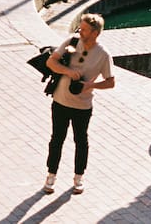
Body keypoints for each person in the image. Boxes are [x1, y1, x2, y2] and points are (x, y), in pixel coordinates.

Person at [42, 13, 115, 196]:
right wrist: (68, 71)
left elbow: (111, 82)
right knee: (56, 139)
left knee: (81, 141)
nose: (80, 32)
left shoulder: (103, 55)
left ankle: (78, 178)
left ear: (95, 33)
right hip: (60, 101)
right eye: (80, 28)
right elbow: (51, 62)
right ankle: (51, 175)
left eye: (84, 29)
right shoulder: (72, 42)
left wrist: (91, 85)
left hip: (82, 107)